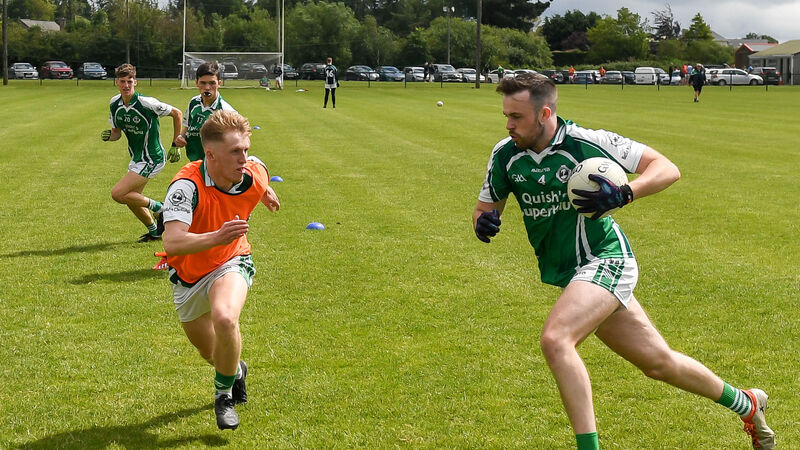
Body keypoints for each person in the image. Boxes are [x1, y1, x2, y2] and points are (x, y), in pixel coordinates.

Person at [473, 73, 774, 450]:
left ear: (544, 113)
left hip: (606, 258)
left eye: (516, 116)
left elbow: (666, 168)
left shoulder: (589, 143)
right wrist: (483, 222)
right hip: (572, 275)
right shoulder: (505, 154)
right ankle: (747, 404)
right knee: (658, 363)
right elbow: (486, 207)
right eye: (506, 115)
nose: (508, 124)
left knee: (556, 340)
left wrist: (625, 193)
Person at [161, 110, 281, 430]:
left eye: (245, 149)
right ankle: (235, 370)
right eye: (235, 152)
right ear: (210, 154)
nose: (243, 158)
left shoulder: (251, 173)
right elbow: (172, 242)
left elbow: (261, 167)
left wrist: (265, 189)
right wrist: (215, 236)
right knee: (212, 353)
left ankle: (223, 396)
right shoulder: (185, 186)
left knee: (226, 317)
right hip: (187, 275)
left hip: (231, 259)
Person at [102, 63, 182, 243]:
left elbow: (177, 113)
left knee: (118, 193)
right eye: (122, 81)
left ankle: (162, 209)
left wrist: (175, 143)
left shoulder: (147, 103)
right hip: (137, 158)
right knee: (132, 199)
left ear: (135, 82)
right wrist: (109, 136)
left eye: (129, 81)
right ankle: (155, 232)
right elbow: (116, 133)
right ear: (117, 83)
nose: (126, 85)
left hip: (152, 158)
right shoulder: (114, 103)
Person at [174, 62, 238, 162]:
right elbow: (188, 125)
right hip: (194, 161)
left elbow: (237, 141)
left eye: (212, 83)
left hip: (216, 164)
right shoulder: (193, 102)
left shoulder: (226, 111)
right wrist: (180, 138)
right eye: (203, 83)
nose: (207, 87)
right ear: (197, 83)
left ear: (219, 84)